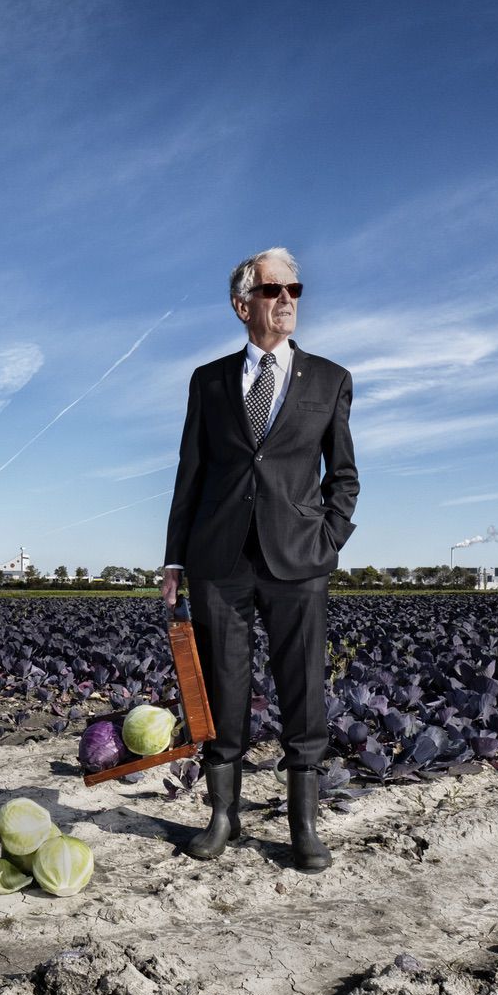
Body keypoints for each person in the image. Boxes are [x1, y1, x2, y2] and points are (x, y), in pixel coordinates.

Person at [161, 247, 359, 873]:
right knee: (224, 684)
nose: (288, 300)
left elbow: (344, 476)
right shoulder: (209, 381)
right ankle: (223, 815)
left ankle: (303, 823)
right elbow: (189, 474)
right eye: (275, 290)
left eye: (295, 289)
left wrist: (329, 539)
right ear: (242, 304)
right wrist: (173, 559)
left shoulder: (329, 379)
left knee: (302, 686)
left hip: (299, 560)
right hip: (219, 558)